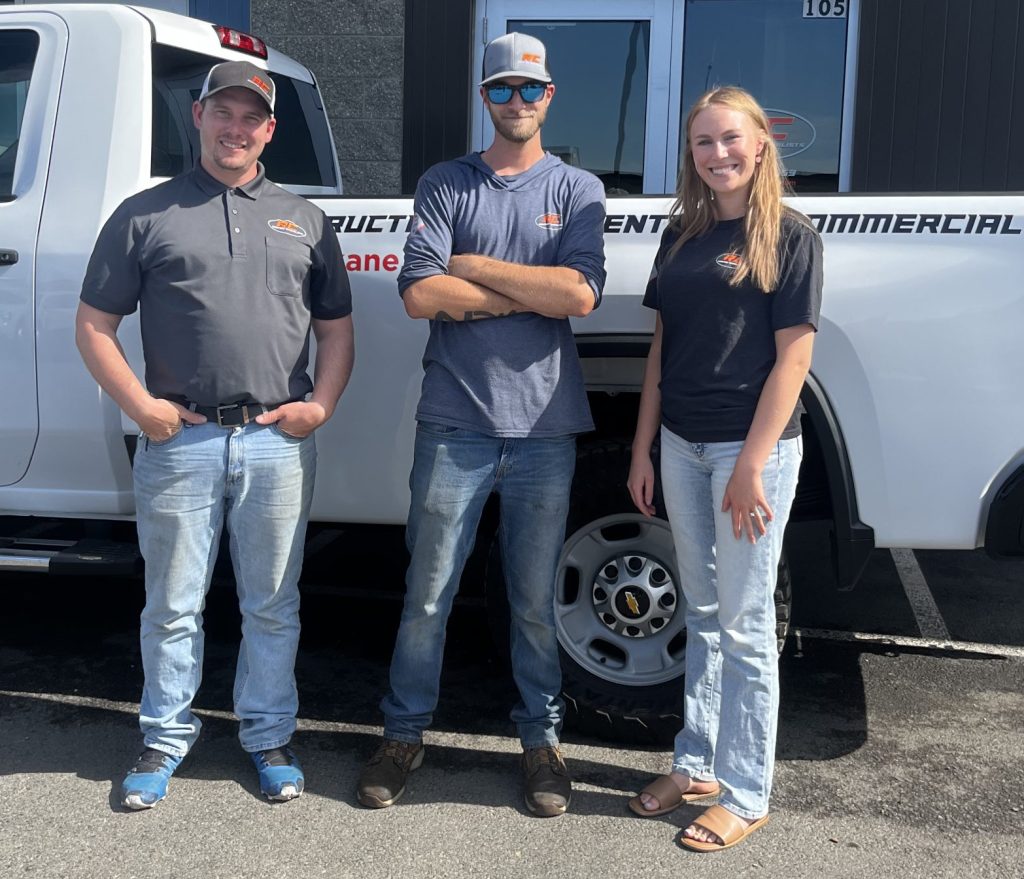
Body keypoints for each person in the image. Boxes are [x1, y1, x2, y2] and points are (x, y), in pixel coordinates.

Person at [75, 60, 354, 810]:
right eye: (222, 113)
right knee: (172, 602)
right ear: (197, 117)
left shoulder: (305, 219)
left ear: (270, 129)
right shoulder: (145, 213)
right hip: (179, 441)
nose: (236, 128)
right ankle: (165, 737)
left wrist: (319, 406)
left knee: (272, 601)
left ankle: (268, 736)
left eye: (252, 117)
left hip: (276, 440)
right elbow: (95, 327)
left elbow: (336, 332)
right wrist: (144, 408)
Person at [356, 32, 605, 818]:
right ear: (485, 97)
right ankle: (402, 735)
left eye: (530, 91)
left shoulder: (578, 187)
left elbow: (579, 296)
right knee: (428, 592)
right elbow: (418, 296)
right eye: (503, 89)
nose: (518, 103)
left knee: (533, 601)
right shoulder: (446, 183)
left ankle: (541, 742)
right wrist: (524, 292)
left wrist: (470, 267)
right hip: (454, 425)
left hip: (544, 429)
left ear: (549, 98)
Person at [626, 86, 822, 851]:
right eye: (703, 143)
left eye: (730, 139)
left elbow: (794, 359)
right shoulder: (681, 235)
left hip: (753, 454)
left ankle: (746, 791)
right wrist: (643, 446)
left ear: (760, 145)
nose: (718, 154)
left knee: (744, 626)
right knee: (701, 613)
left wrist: (751, 463)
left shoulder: (789, 236)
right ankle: (696, 762)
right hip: (680, 443)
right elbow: (660, 351)